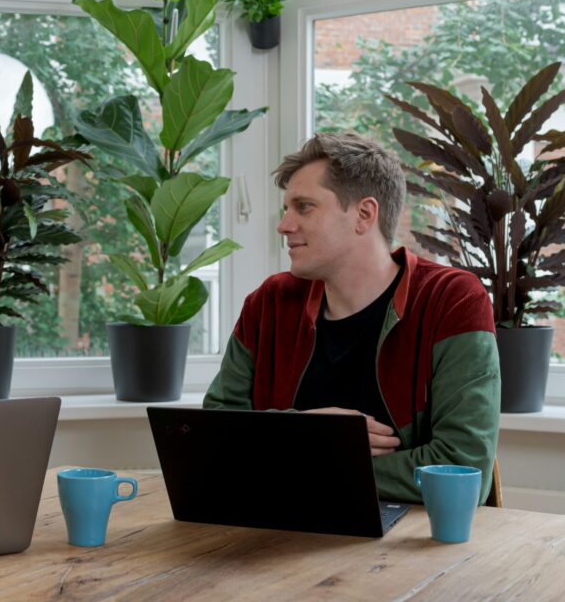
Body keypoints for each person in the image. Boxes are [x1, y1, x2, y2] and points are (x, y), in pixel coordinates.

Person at [204, 133, 500, 504]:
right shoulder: (270, 303)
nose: (284, 225)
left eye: (304, 207)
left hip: (411, 546)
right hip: (278, 534)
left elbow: (461, 468)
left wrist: (306, 461)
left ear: (364, 214)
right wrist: (307, 436)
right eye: (286, 209)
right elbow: (212, 437)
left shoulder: (450, 299)